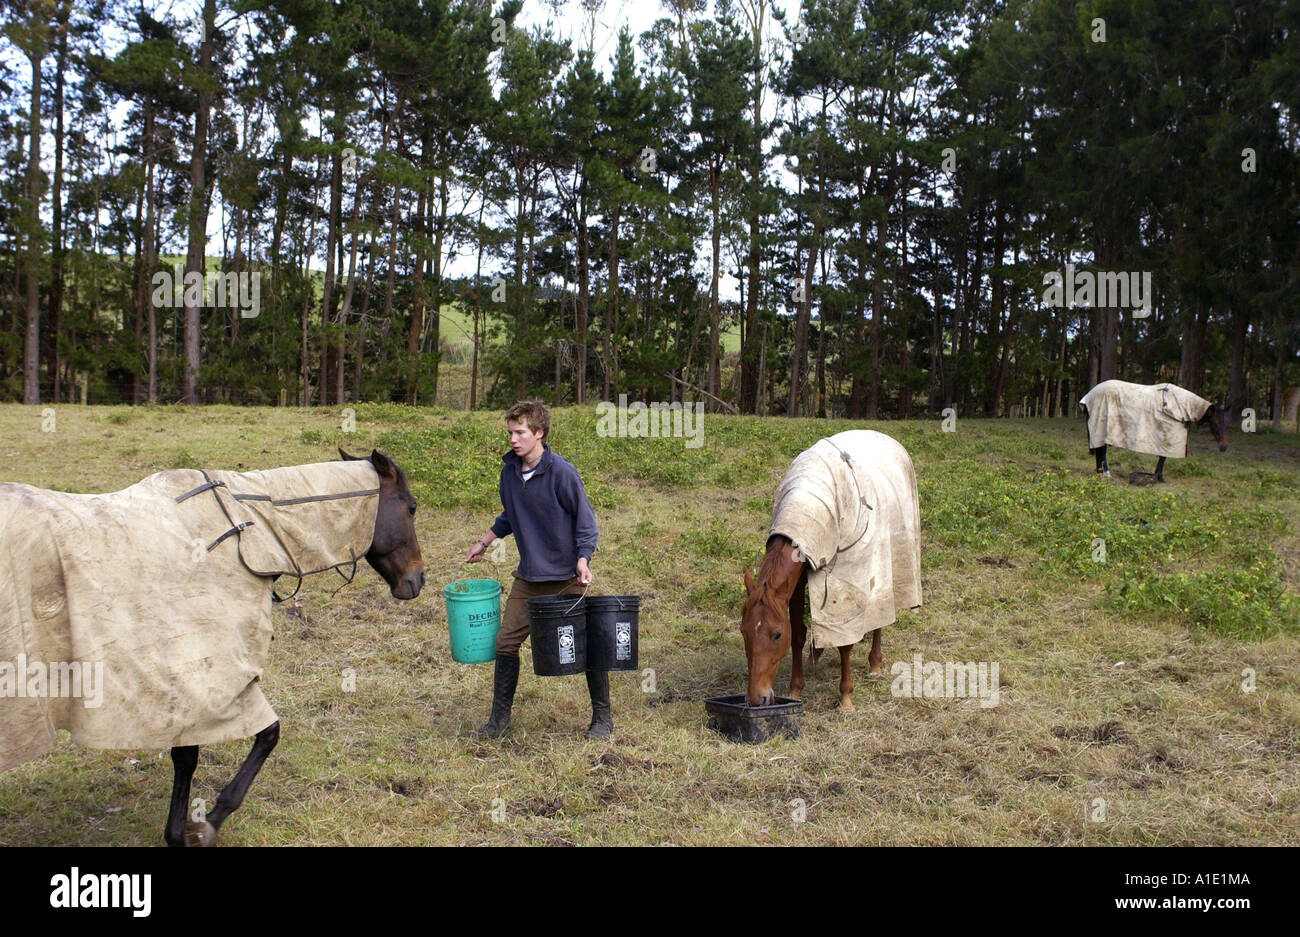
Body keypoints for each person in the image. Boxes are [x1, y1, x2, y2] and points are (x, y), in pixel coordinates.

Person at [464, 401, 609, 738]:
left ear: (539, 433)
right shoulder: (509, 473)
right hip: (529, 578)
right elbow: (510, 515)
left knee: (586, 646)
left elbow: (587, 525)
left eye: (521, 433)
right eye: (511, 432)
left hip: (567, 578)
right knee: (505, 642)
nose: (514, 439)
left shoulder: (562, 473)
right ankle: (499, 722)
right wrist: (483, 542)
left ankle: (602, 719)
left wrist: (583, 560)